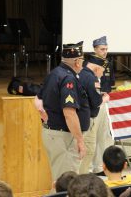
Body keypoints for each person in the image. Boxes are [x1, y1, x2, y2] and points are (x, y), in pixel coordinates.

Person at [35, 41, 89, 181]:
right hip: (64, 137)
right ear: (77, 61)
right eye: (82, 60)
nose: (83, 64)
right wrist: (80, 140)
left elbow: (38, 99)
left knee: (59, 180)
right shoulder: (68, 78)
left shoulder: (54, 74)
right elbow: (69, 113)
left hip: (54, 133)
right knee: (66, 184)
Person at [86, 36, 115, 175]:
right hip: (93, 103)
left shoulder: (107, 63)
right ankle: (89, 168)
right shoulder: (89, 64)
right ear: (95, 49)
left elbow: (110, 82)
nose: (105, 52)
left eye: (106, 49)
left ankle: (99, 167)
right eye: (102, 49)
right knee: (93, 136)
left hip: (104, 101)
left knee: (103, 135)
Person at [79, 60, 110, 174]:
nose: (102, 75)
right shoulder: (92, 78)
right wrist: (104, 99)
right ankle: (82, 180)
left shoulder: (81, 74)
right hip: (88, 119)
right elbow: (96, 102)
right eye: (102, 71)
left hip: (80, 119)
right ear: (97, 68)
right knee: (88, 150)